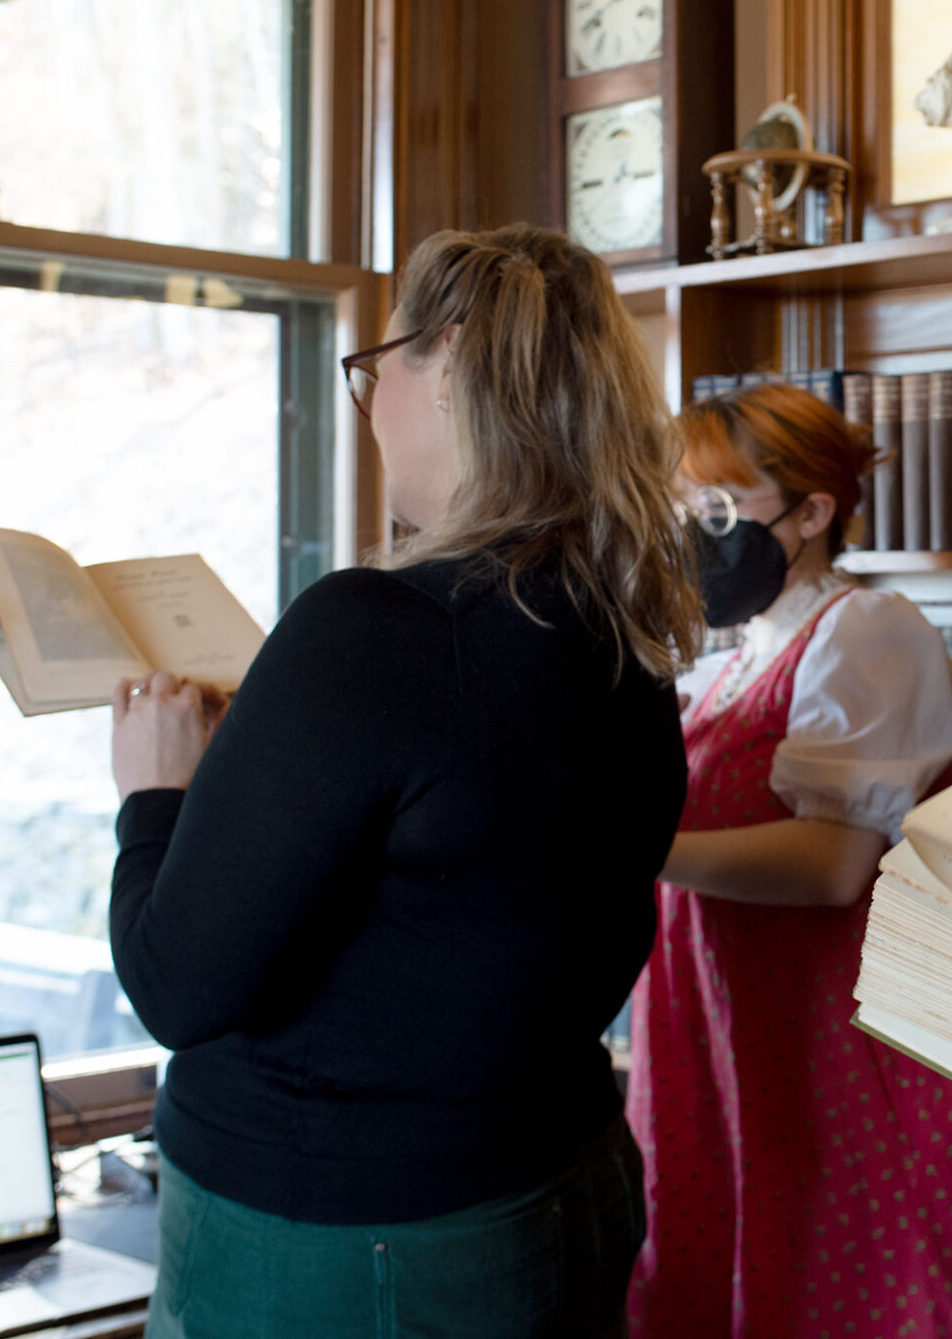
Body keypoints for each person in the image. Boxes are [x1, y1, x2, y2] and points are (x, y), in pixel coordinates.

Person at [106, 224, 696, 1338]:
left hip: (353, 1243)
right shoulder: (625, 627)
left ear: (454, 356)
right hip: (563, 1181)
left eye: (376, 369)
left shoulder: (377, 632)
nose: (369, 405)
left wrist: (157, 796)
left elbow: (175, 986)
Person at [624, 384, 952, 1338]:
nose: (695, 532)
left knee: (832, 1283)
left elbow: (839, 861)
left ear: (812, 512)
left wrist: (641, 852)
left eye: (719, 509)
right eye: (683, 508)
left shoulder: (867, 632)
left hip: (827, 1035)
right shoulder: (727, 660)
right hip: (717, 1014)